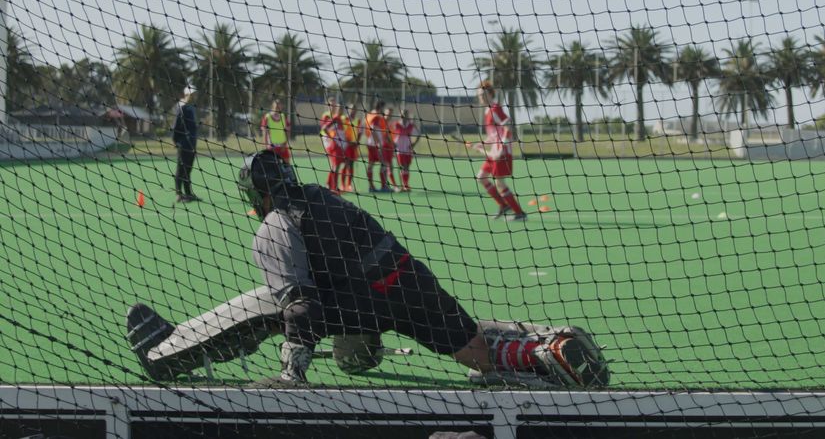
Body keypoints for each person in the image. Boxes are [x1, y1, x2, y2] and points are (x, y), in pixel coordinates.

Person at [125, 149, 610, 389]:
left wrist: (292, 371)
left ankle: (166, 355)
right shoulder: (324, 194)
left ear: (259, 192)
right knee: (474, 351)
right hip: (408, 280)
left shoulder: (273, 226)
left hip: (356, 304)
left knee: (262, 306)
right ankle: (540, 353)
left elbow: (299, 304)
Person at [471, 80, 525, 221]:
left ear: (490, 94)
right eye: (479, 95)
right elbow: (493, 134)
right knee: (481, 177)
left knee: (500, 183)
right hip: (494, 151)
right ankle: (503, 205)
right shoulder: (487, 111)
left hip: (502, 152)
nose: (480, 98)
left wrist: (502, 147)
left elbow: (508, 126)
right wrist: (482, 143)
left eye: (482, 95)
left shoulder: (495, 109)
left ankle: (520, 213)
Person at [171, 85, 200, 203]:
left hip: (192, 143)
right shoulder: (182, 107)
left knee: (188, 169)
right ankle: (179, 194)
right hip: (184, 143)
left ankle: (188, 194)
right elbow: (176, 126)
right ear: (187, 94)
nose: (195, 96)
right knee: (181, 168)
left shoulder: (191, 107)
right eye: (193, 94)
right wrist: (175, 140)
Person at [364, 101, 393, 193]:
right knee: (383, 164)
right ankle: (384, 186)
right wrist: (378, 143)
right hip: (376, 145)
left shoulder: (369, 115)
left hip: (370, 143)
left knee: (371, 165)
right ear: (381, 108)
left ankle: (371, 186)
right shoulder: (376, 116)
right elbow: (373, 129)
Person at [319, 98, 345, 192]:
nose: (341, 110)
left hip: (339, 145)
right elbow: (325, 128)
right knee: (335, 166)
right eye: (339, 108)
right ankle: (333, 187)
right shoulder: (334, 118)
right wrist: (331, 137)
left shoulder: (339, 118)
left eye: (342, 108)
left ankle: (330, 185)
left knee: (336, 165)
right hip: (334, 145)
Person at [391, 109, 420, 192]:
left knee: (407, 167)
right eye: (402, 114)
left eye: (405, 114)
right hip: (399, 149)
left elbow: (418, 134)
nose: (403, 116)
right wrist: (393, 143)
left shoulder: (410, 125)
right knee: (403, 167)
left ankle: (406, 185)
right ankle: (403, 185)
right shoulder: (396, 124)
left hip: (407, 149)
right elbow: (390, 134)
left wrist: (413, 144)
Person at [260, 99, 292, 164]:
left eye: (279, 106)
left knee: (287, 165)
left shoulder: (283, 116)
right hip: (271, 147)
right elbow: (264, 133)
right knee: (272, 166)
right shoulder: (267, 117)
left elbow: (288, 131)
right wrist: (266, 146)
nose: (277, 107)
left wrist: (285, 144)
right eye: (276, 106)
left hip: (282, 146)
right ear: (272, 106)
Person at [340, 104, 362, 193]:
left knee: (351, 164)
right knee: (345, 164)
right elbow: (341, 132)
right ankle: (342, 185)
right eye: (351, 109)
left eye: (354, 109)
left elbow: (360, 132)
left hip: (354, 145)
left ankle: (349, 185)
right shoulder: (343, 119)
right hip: (346, 145)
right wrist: (347, 141)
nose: (353, 111)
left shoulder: (358, 120)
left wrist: (357, 141)